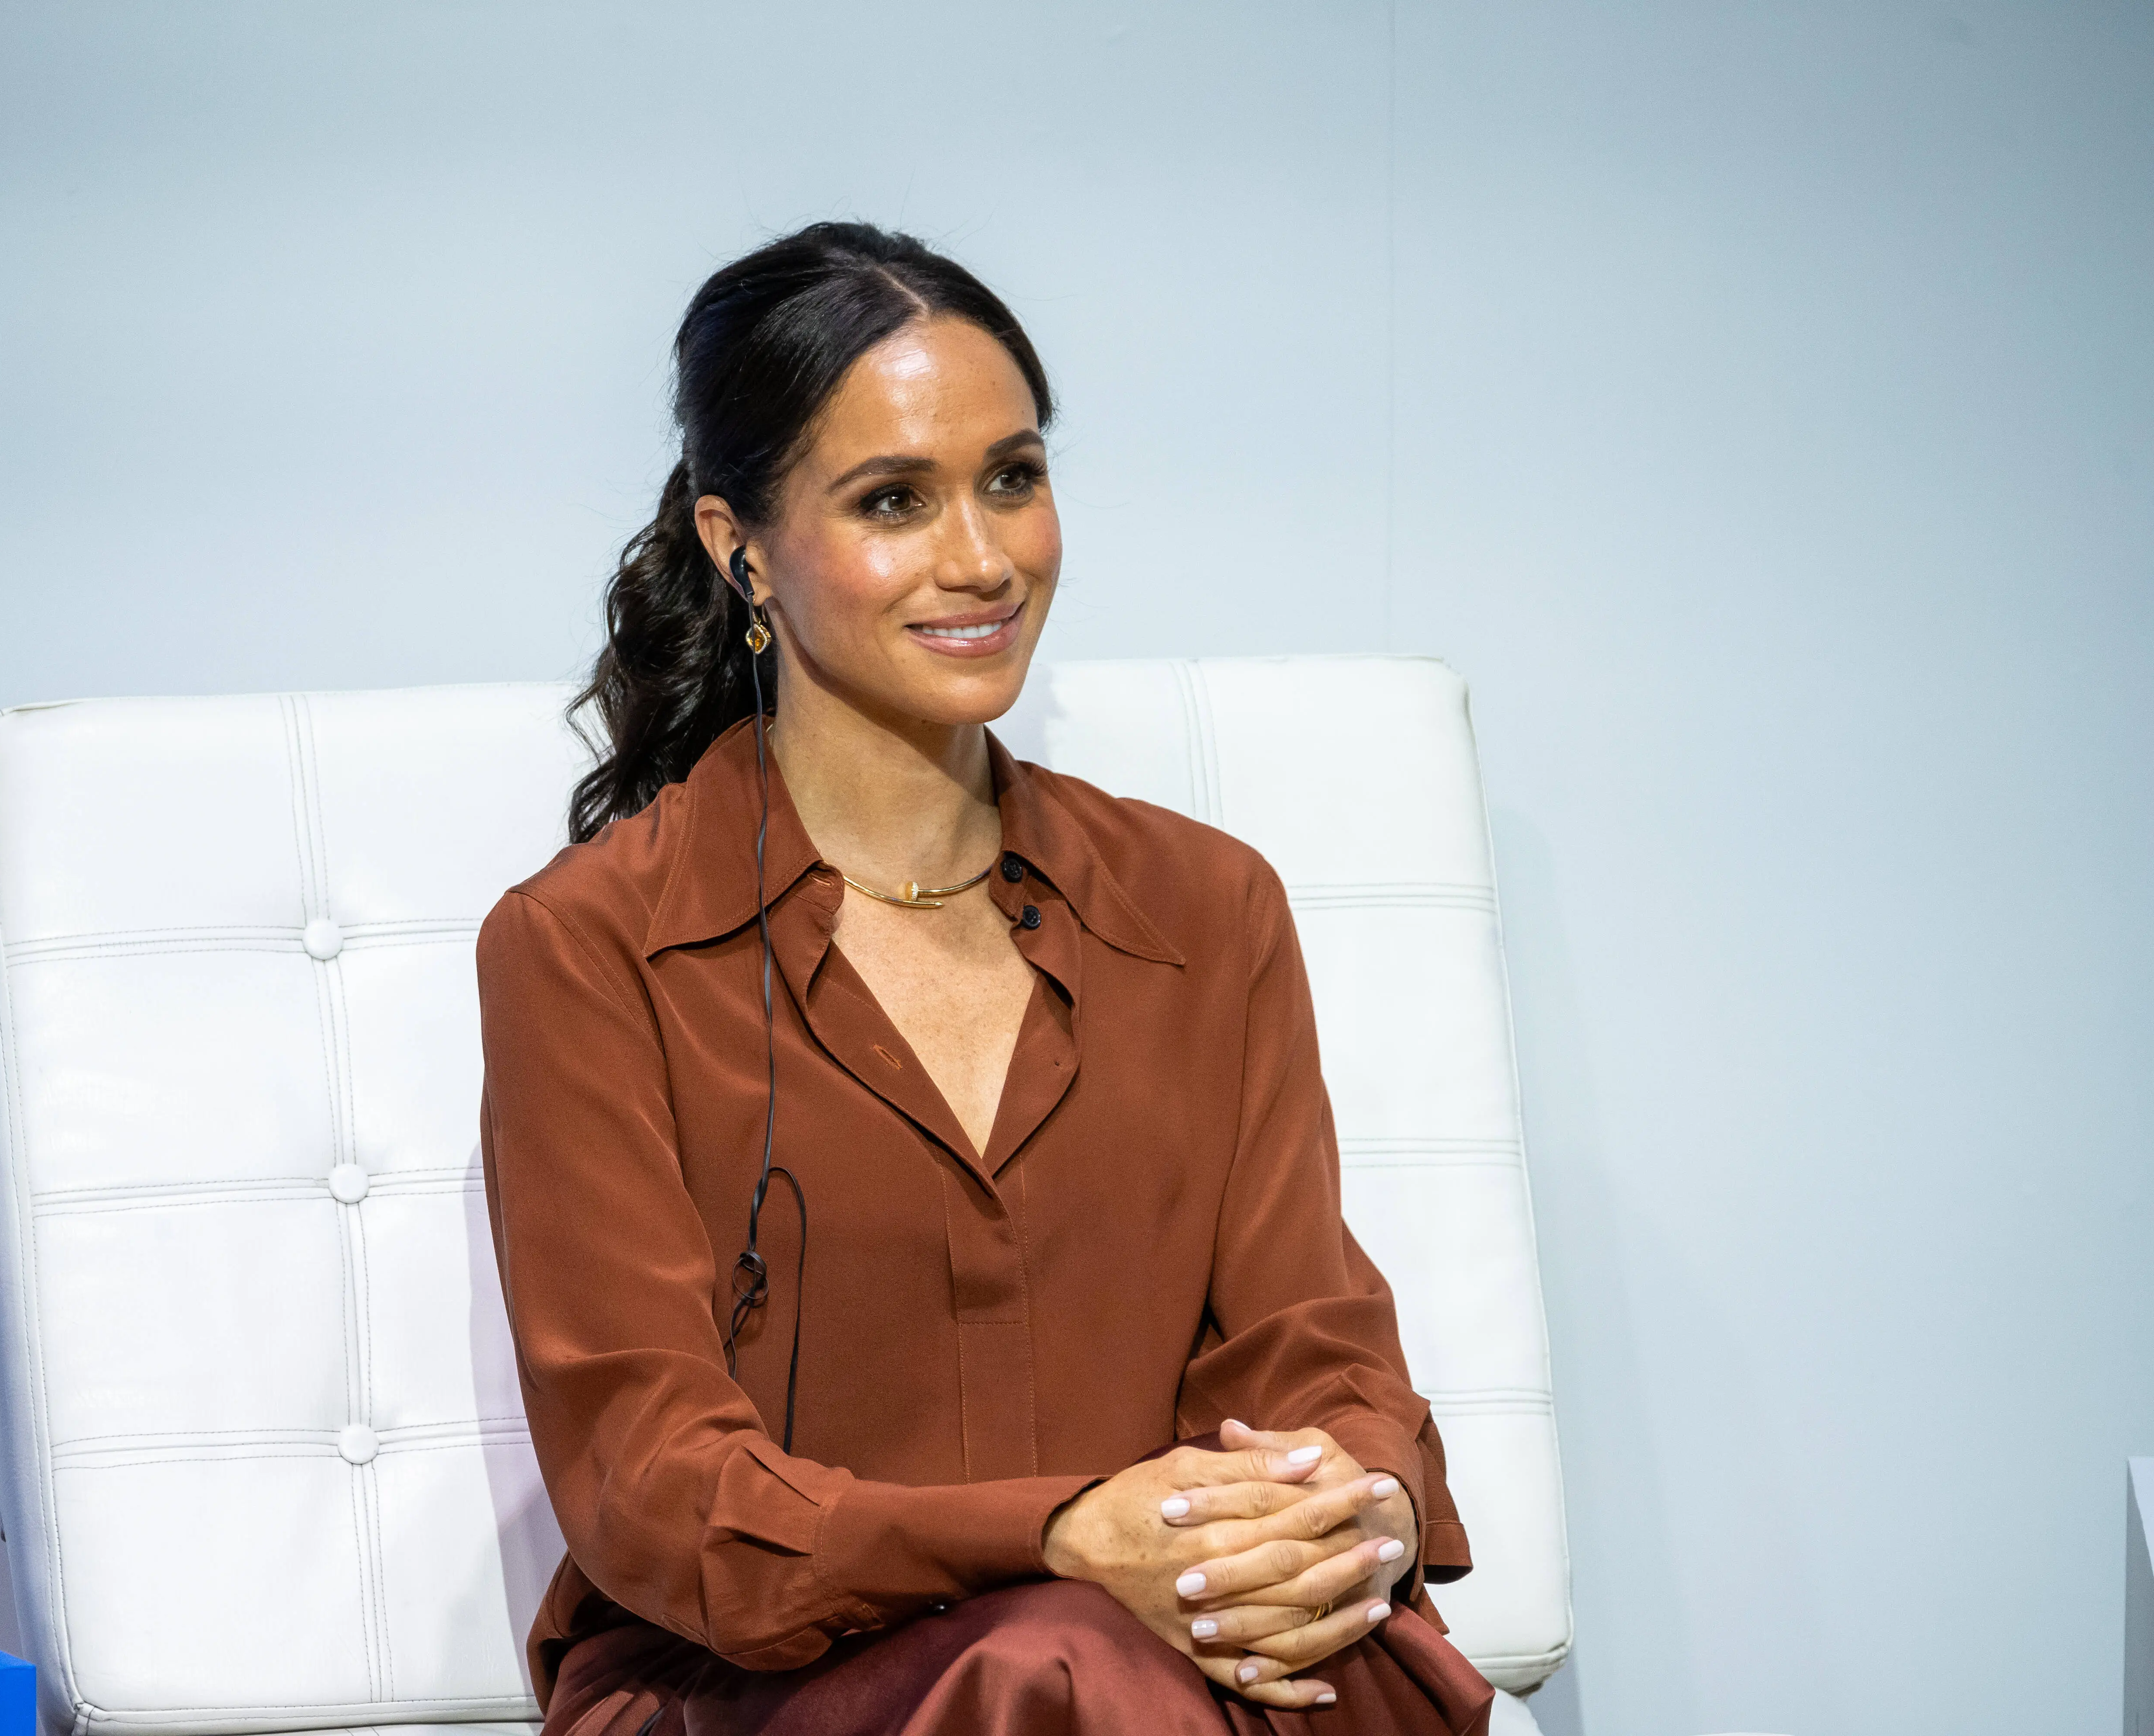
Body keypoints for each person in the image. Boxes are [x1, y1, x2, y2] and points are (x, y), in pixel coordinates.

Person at [475, 222, 1495, 1735]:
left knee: (1312, 1658)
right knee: (1058, 1668)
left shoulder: (1207, 911)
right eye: (894, 500)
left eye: (1013, 478)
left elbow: (1314, 1344)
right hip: (758, 1686)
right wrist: (1058, 1537)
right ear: (738, 546)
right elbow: (656, 1482)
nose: (983, 558)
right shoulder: (588, 949)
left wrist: (1359, 1507)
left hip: (1168, 1656)